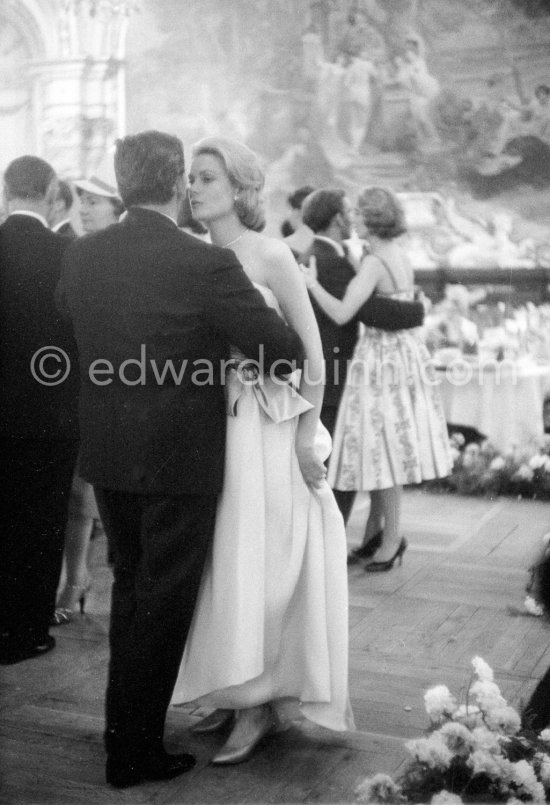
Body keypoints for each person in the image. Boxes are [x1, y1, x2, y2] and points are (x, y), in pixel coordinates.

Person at [56, 130, 305, 789]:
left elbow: (67, 318)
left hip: (109, 450)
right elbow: (283, 350)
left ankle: (125, 738)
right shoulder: (204, 263)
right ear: (173, 185)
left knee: (131, 589)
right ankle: (134, 751)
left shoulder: (83, 254)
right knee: (159, 602)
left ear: (123, 181)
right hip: (180, 458)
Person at [171, 136, 355, 763]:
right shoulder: (190, 255)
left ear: (241, 189)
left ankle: (261, 706)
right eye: (190, 178)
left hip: (268, 429)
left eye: (207, 178)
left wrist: (308, 434)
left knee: (265, 561)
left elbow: (313, 352)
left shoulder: (270, 254)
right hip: (209, 429)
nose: (193, 188)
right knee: (222, 563)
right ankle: (233, 687)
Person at [301, 187, 452, 572]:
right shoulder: (399, 254)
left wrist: (311, 283)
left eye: (358, 213)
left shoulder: (371, 263)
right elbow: (403, 306)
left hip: (379, 359)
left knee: (382, 446)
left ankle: (390, 540)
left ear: (370, 219)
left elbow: (341, 313)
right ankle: (374, 533)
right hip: (404, 355)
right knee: (384, 443)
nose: (353, 218)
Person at [0, 156, 79, 665]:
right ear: (51, 192)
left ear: (6, 190)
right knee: (44, 522)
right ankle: (28, 630)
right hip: (51, 414)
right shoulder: (67, 252)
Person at [52, 165, 125, 626]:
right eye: (83, 201)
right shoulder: (81, 251)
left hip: (128, 386)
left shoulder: (131, 250)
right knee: (81, 495)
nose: (86, 208)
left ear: (118, 207)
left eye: (95, 201)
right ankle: (76, 580)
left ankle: (124, 588)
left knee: (115, 498)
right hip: (84, 384)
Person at [282, 184, 315, 255]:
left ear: (296, 212)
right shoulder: (325, 245)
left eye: (290, 209)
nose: (288, 215)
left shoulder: (284, 246)